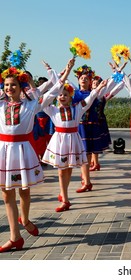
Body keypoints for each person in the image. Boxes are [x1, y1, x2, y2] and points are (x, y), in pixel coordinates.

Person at [0, 59, 73, 253]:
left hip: (22, 151)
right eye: (6, 85)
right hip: (4, 151)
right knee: (7, 194)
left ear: (21, 86)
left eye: (13, 85)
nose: (9, 88)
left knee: (24, 191)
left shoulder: (31, 105)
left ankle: (24, 219)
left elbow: (55, 89)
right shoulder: (0, 105)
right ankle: (15, 237)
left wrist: (65, 71)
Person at [42, 65, 107, 212]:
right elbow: (44, 100)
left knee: (68, 170)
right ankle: (65, 198)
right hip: (59, 142)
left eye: (65, 94)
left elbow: (89, 99)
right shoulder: (52, 110)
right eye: (60, 95)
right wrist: (53, 74)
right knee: (60, 170)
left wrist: (98, 88)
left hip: (72, 140)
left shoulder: (77, 108)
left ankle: (63, 194)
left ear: (71, 96)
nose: (62, 97)